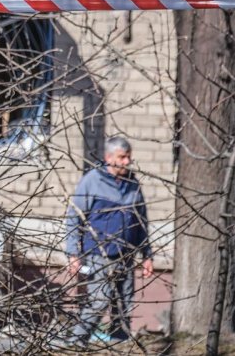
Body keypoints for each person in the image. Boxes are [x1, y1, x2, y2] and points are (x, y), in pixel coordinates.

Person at [64, 136, 153, 345]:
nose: (127, 162)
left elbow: (141, 221)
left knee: (124, 302)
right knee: (100, 300)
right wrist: (72, 254)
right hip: (98, 254)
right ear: (108, 157)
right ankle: (76, 342)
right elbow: (74, 216)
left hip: (127, 254)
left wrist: (147, 255)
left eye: (128, 157)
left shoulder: (133, 183)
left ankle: (119, 343)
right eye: (122, 157)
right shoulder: (92, 180)